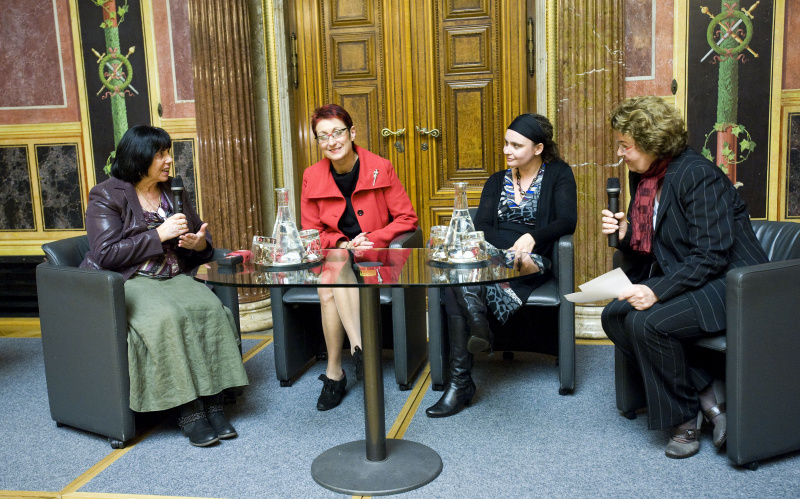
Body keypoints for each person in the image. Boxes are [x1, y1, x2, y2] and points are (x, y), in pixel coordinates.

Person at [600, 96, 768, 459]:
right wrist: (626, 232)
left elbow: (711, 254)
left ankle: (685, 422)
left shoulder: (697, 175)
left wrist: (655, 290)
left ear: (652, 142)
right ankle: (708, 396)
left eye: (625, 145)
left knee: (649, 323)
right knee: (613, 316)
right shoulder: (643, 176)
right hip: (689, 273)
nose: (620, 154)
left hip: (733, 282)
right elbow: (655, 242)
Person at [80, 125, 249, 447]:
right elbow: (106, 253)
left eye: (168, 152)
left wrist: (198, 244)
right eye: (161, 154)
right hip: (129, 279)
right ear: (139, 158)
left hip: (172, 274)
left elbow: (201, 236)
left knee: (210, 310)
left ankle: (213, 402)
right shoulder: (106, 195)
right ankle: (189, 411)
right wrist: (158, 235)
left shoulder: (174, 190)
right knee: (166, 319)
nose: (169, 160)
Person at [425, 113, 577, 418]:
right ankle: (471, 346)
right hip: (492, 254)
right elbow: (481, 225)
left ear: (537, 148)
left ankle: (462, 379)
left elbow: (566, 220)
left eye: (516, 145)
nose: (507, 150)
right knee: (460, 276)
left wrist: (532, 237)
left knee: (459, 281)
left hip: (532, 259)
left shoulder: (559, 174)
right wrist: (500, 249)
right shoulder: (497, 180)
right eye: (506, 143)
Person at [300, 104, 418, 411]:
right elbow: (309, 231)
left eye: (337, 132)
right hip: (336, 254)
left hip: (374, 256)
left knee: (328, 287)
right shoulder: (312, 176)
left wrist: (373, 238)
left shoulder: (381, 166)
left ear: (352, 133)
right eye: (322, 136)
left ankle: (335, 372)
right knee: (333, 271)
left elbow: (407, 219)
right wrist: (339, 240)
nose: (332, 141)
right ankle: (360, 349)